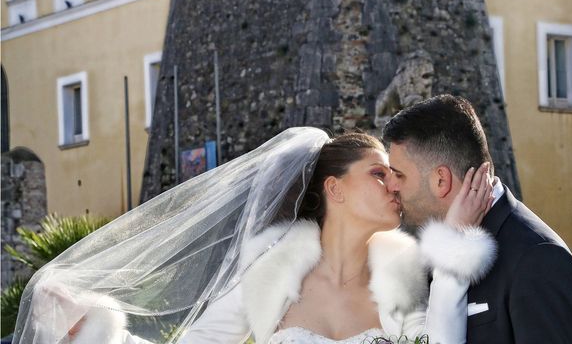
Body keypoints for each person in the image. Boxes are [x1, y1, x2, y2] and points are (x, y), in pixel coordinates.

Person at [15, 128, 496, 344]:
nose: (394, 184)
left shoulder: (404, 274)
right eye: (377, 174)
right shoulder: (272, 273)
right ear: (335, 190)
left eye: (393, 175)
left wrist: (455, 250)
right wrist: (103, 335)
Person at [383, 94, 572, 344]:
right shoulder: (429, 248)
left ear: (441, 180)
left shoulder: (539, 258)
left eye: (399, 175)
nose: (390, 185)